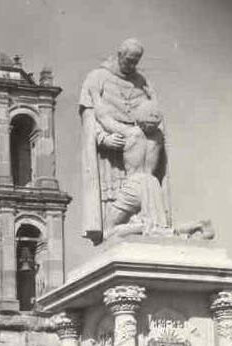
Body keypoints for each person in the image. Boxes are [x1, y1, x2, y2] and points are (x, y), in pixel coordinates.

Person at [80, 38, 168, 244]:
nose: (132, 66)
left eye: (136, 61)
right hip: (111, 156)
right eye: (129, 60)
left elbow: (106, 116)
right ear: (119, 55)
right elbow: (92, 118)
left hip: (133, 163)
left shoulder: (141, 83)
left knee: (115, 223)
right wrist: (104, 139)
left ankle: (138, 226)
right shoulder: (98, 77)